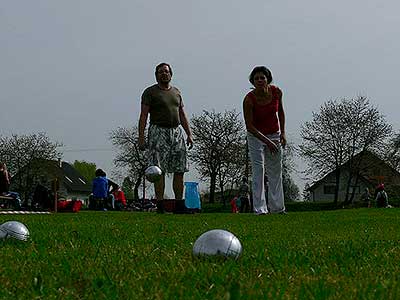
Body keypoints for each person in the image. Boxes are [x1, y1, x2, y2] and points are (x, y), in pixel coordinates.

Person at [138, 63, 193, 213]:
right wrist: (141, 137)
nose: (164, 74)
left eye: (166, 72)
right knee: (158, 170)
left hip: (176, 132)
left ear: (171, 74)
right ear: (156, 75)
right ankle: (160, 204)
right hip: (158, 131)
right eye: (161, 72)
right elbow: (143, 115)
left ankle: (179, 205)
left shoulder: (176, 92)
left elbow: (182, 114)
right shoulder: (150, 92)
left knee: (180, 169)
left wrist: (189, 133)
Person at [243, 66, 286, 215]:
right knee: (259, 170)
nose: (260, 80)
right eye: (256, 78)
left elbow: (280, 112)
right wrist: (267, 142)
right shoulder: (249, 99)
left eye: (262, 78)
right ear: (252, 82)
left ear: (268, 79)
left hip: (274, 133)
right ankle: (260, 209)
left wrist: (283, 133)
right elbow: (249, 126)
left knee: (275, 171)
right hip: (256, 136)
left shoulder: (276, 92)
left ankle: (278, 208)